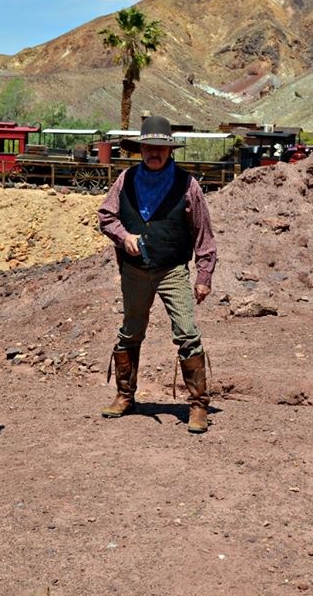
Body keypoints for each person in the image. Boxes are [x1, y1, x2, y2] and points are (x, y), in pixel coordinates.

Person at [97, 115, 217, 433]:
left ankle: (197, 406)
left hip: (173, 270)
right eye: (149, 147)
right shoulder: (125, 179)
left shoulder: (187, 185)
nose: (154, 153)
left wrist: (203, 276)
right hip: (134, 272)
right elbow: (106, 216)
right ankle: (125, 396)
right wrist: (124, 236)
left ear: (170, 151)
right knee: (131, 332)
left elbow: (204, 234)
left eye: (160, 148)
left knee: (187, 332)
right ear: (141, 149)